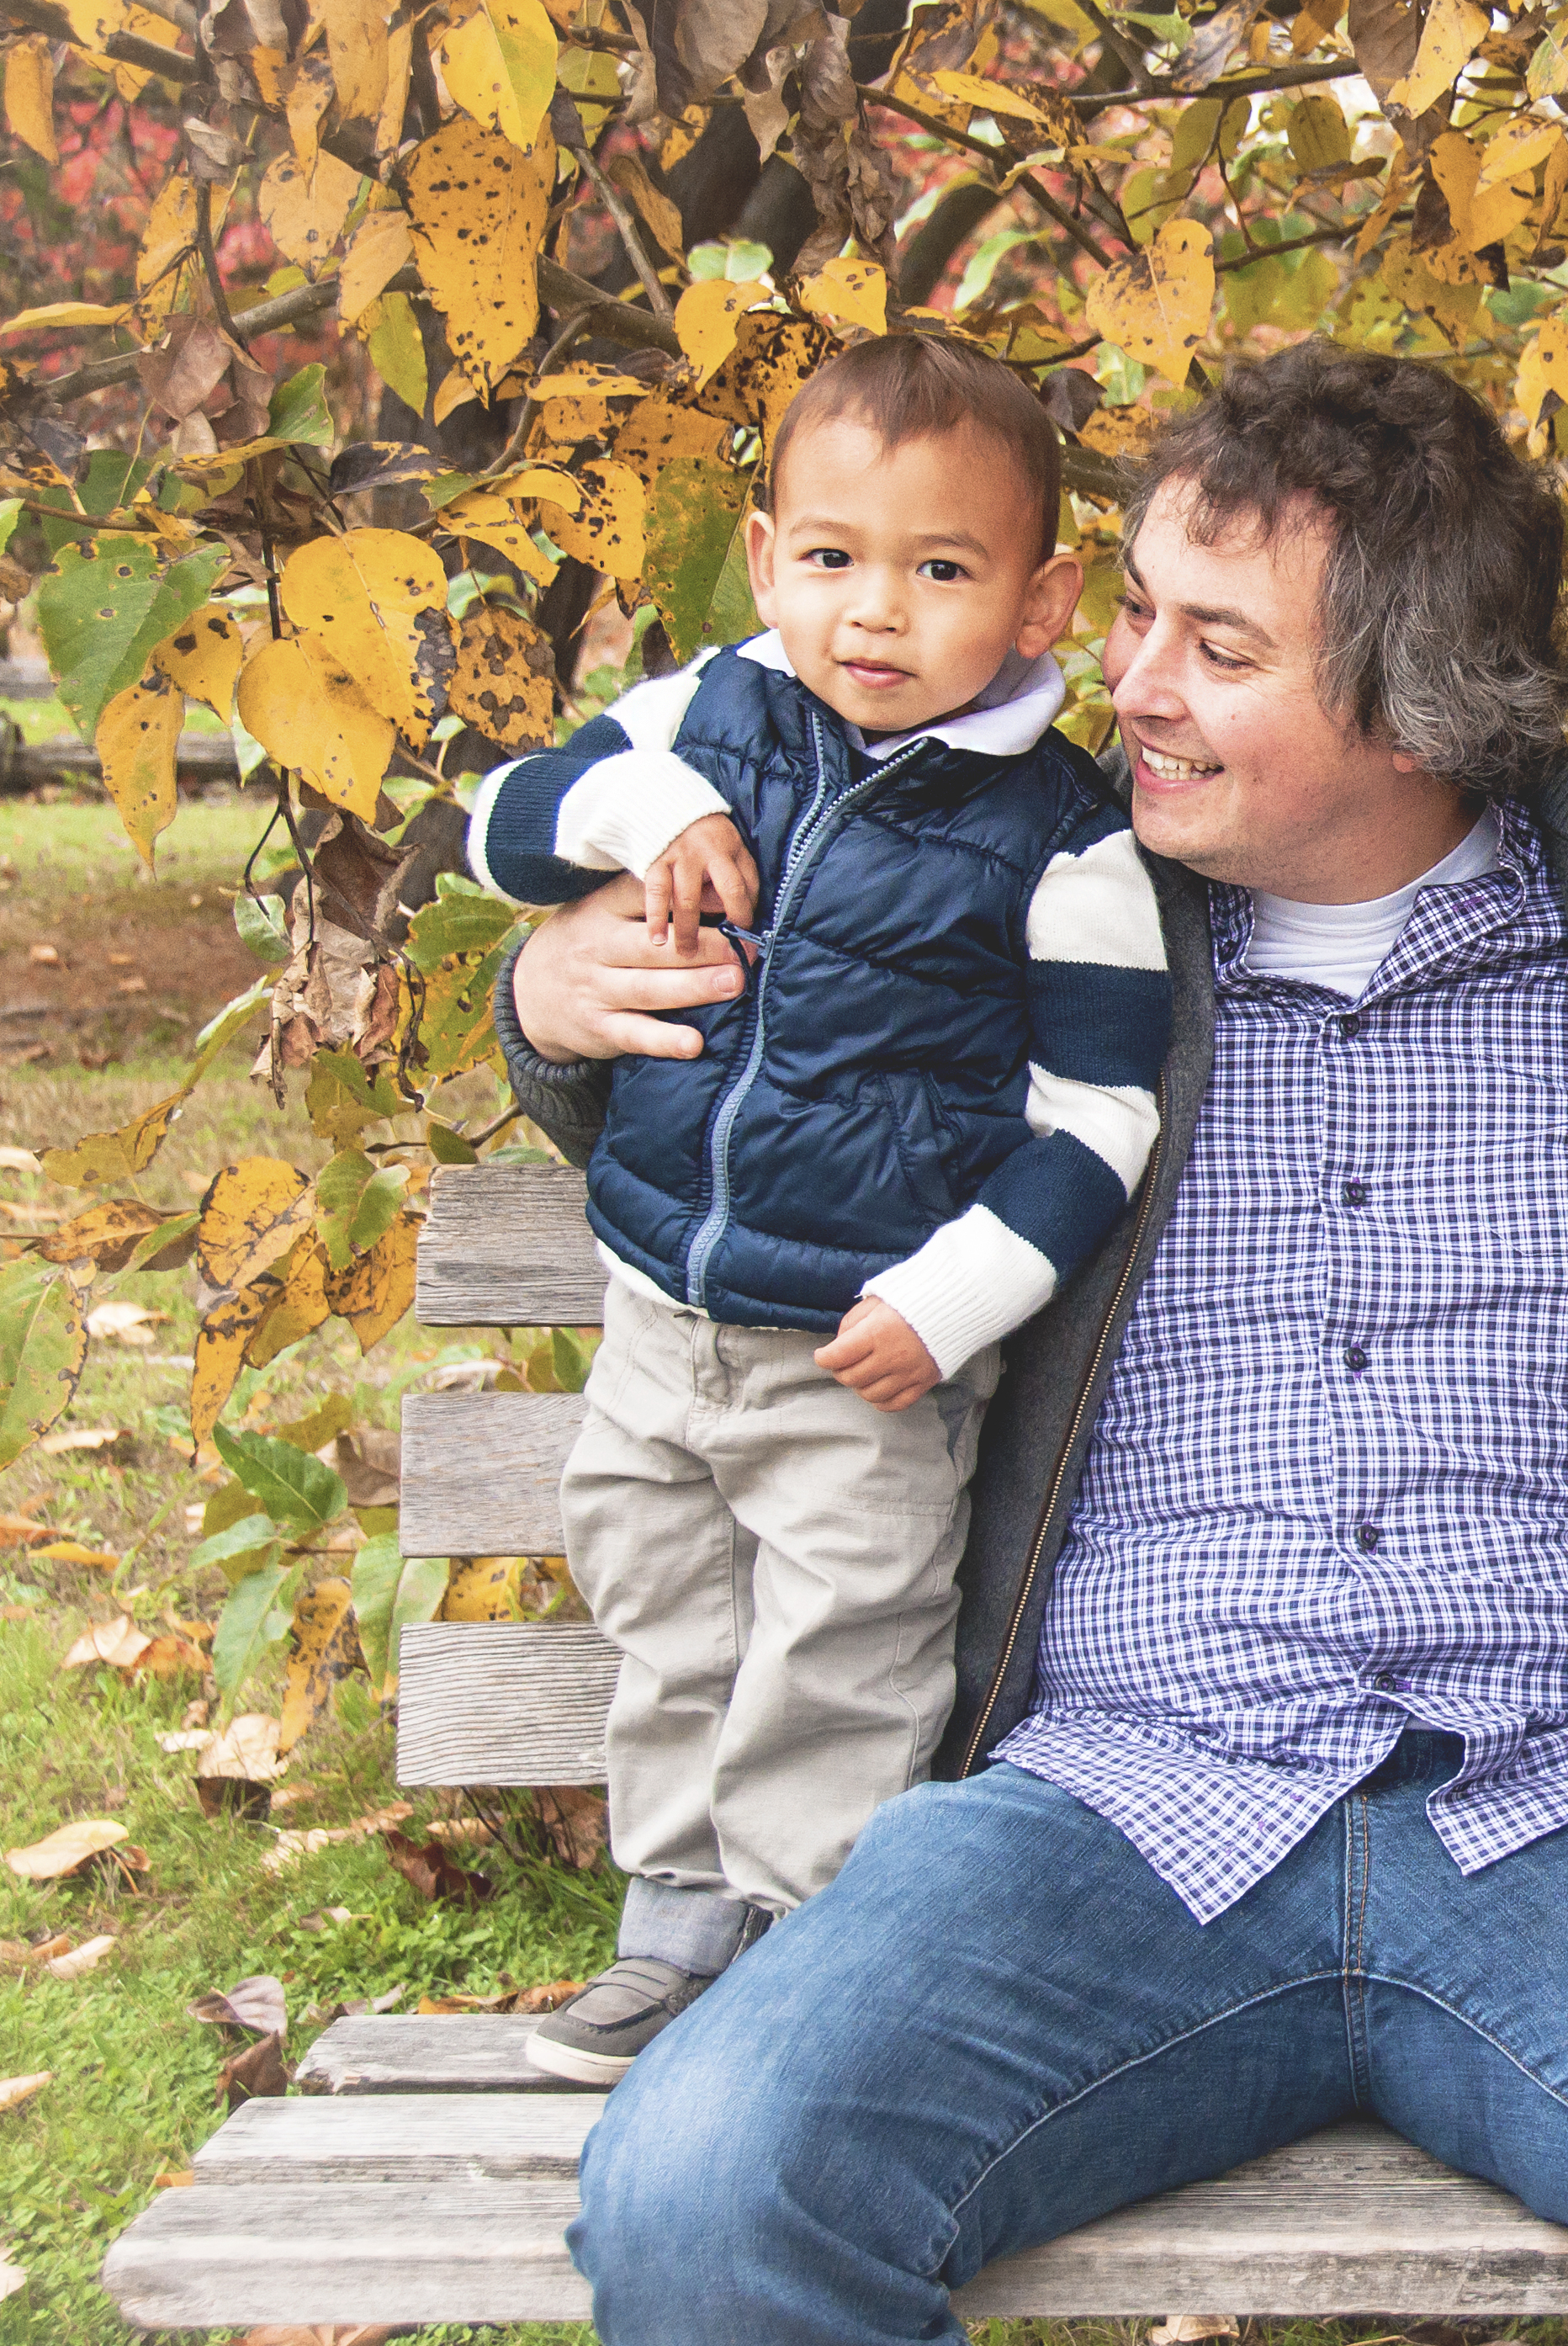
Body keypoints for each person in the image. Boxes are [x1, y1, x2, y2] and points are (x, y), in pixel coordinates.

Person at [491, 343, 1568, 2344]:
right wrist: (551, 992)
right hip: (1115, 1803)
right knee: (707, 2188)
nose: (1124, 680)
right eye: (1133, 608)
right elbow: (750, 1130)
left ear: (1415, 699)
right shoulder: (1020, 891)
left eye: (1212, 644)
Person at [463, 336, 1166, 2084]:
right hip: (661, 1312)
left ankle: (808, 1948)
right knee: (662, 1597)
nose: (874, 610)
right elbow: (498, 822)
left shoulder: (1062, 841)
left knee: (842, 1641)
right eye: (833, 557)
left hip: (864, 1348)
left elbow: (1097, 1121)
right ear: (764, 552)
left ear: (1039, 597)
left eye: (941, 569)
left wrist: (954, 1299)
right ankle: (674, 1923)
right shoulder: (699, 719)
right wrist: (655, 800)